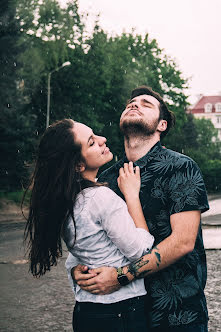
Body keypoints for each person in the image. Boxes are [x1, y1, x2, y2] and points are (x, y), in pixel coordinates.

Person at [66, 86, 209, 332]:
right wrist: (79, 269)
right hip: (123, 313)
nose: (134, 104)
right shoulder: (107, 177)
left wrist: (122, 275)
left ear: (161, 125)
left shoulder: (181, 167)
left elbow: (183, 241)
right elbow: (91, 236)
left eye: (146, 104)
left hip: (178, 313)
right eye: (131, 102)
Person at [23, 118, 156, 332]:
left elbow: (82, 249)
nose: (103, 140)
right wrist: (132, 195)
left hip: (87, 311)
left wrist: (77, 269)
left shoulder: (66, 200)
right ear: (78, 165)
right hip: (120, 310)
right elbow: (141, 251)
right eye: (92, 142)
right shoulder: (100, 198)